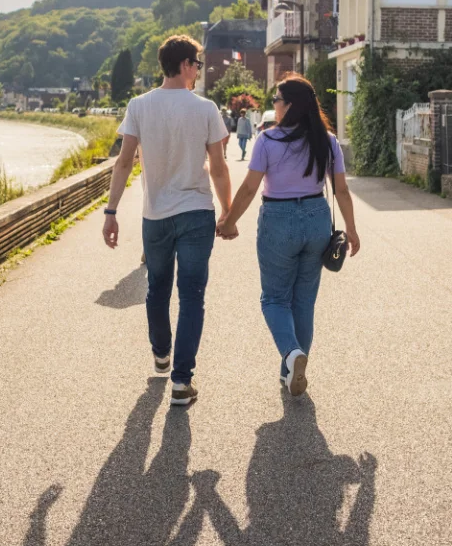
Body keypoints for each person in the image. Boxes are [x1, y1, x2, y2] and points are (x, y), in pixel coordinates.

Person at [102, 35, 234, 407]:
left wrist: (111, 213)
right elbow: (219, 168)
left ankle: (161, 352)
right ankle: (181, 381)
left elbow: (124, 163)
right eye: (198, 65)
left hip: (155, 215)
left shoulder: (139, 106)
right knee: (192, 296)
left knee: (157, 288)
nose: (199, 72)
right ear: (187, 65)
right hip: (195, 213)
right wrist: (227, 212)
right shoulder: (205, 109)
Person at [217, 74, 360, 397]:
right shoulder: (327, 141)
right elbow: (341, 190)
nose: (275, 107)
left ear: (290, 105)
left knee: (274, 298)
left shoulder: (268, 140)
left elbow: (250, 187)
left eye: (277, 101)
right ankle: (289, 371)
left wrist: (228, 221)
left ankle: (292, 354)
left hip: (278, 220)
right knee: (303, 301)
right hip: (316, 219)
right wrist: (351, 229)